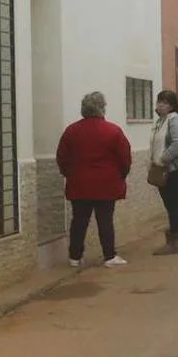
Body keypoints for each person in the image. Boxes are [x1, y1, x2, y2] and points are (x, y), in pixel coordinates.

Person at [56, 92, 131, 268]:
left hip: (79, 184)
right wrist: (119, 176)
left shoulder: (71, 131)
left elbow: (62, 157)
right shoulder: (113, 131)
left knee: (79, 221)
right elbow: (125, 158)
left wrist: (70, 174)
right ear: (102, 108)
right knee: (105, 220)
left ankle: (75, 256)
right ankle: (109, 256)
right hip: (106, 185)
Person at [150, 90, 178, 256]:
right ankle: (172, 238)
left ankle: (175, 242)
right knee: (168, 204)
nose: (161, 105)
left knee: (172, 205)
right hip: (161, 168)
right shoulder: (161, 121)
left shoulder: (174, 120)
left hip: (171, 169)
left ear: (172, 105)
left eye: (164, 103)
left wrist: (163, 159)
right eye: (159, 102)